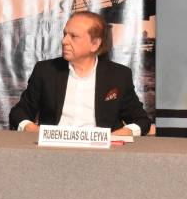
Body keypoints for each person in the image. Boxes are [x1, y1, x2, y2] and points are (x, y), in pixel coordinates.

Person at [9, 11, 152, 135]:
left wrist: (121, 134)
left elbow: (141, 121)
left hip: (102, 154)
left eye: (73, 36)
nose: (64, 41)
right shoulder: (45, 71)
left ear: (94, 44)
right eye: (65, 34)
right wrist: (33, 130)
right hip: (53, 151)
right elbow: (18, 113)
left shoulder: (119, 75)